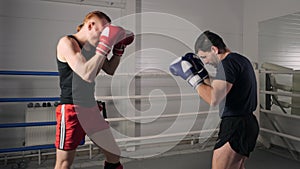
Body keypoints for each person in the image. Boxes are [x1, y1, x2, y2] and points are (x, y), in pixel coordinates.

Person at [55, 11, 134, 169]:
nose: (105, 36)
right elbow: (85, 73)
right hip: (72, 109)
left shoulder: (96, 47)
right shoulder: (67, 43)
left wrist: (118, 50)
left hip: (90, 108)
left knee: (114, 154)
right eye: (103, 31)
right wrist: (104, 46)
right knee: (64, 163)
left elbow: (110, 69)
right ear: (90, 25)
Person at [169, 30, 259, 169]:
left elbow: (213, 98)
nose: (205, 62)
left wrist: (192, 78)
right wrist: (202, 75)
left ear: (214, 49)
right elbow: (221, 86)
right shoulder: (239, 60)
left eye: (204, 57)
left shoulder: (227, 64)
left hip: (236, 126)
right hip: (247, 124)